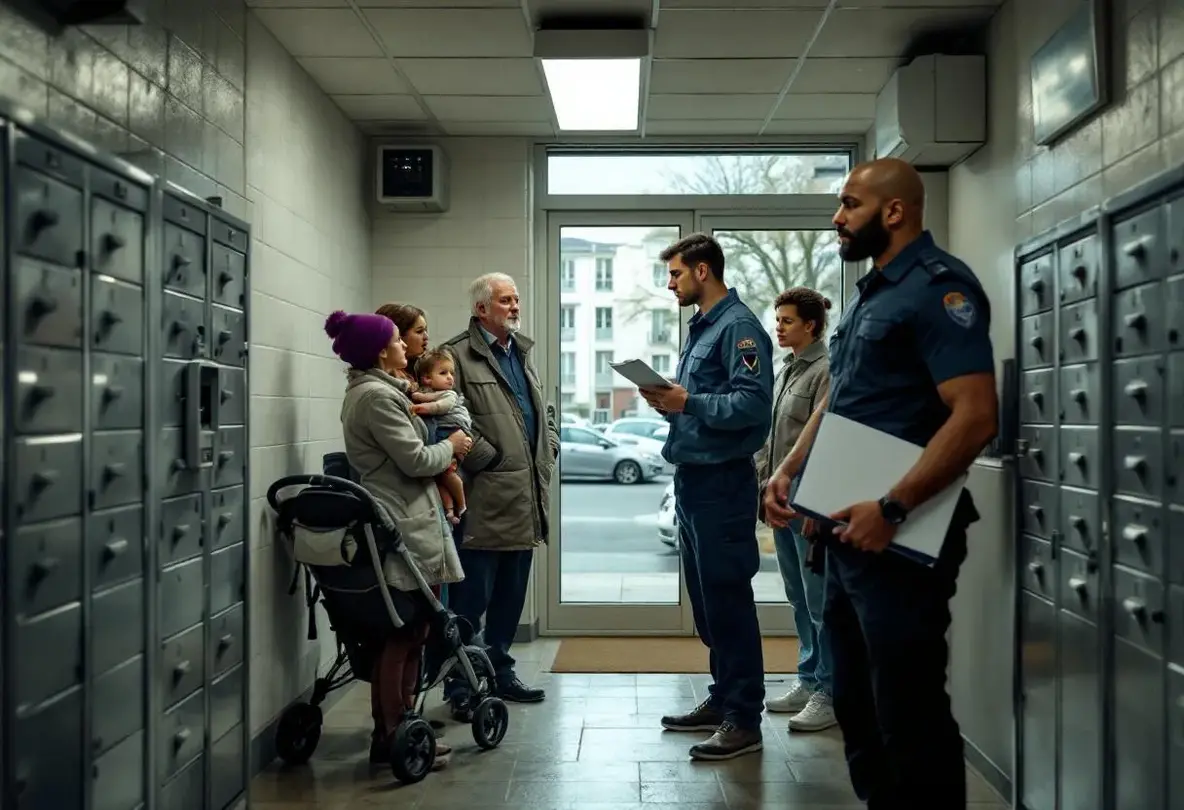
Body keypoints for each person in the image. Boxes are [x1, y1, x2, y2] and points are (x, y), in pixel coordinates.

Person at [763, 158, 998, 808]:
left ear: (893, 212)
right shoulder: (873, 292)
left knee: (909, 714)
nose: (837, 217)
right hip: (844, 532)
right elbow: (841, 396)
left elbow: (976, 415)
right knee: (857, 708)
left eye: (849, 204)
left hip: (901, 535)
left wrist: (893, 505)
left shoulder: (938, 288)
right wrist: (792, 471)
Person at [640, 233, 773, 761]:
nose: (670, 283)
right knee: (709, 606)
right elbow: (702, 403)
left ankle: (745, 718)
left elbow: (752, 406)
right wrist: (675, 404)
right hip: (694, 480)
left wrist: (687, 400)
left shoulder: (738, 328)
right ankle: (723, 701)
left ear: (701, 271)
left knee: (729, 603)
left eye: (674, 274)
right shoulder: (704, 329)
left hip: (723, 484)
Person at [325, 309, 473, 769]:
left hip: (410, 514)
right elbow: (414, 460)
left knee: (415, 630)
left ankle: (399, 727)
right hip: (402, 518)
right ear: (379, 350)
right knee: (404, 632)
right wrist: (454, 447)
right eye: (395, 338)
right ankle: (394, 734)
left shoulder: (386, 390)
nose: (404, 345)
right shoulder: (376, 398)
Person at [440, 272, 558, 715]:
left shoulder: (520, 353)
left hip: (525, 498)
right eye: (505, 300)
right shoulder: (457, 355)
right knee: (471, 601)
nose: (515, 306)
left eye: (516, 299)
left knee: (511, 597)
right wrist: (488, 458)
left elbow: (539, 412)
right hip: (485, 500)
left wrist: (551, 443)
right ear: (481, 309)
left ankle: (501, 672)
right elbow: (451, 420)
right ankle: (462, 687)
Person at [753, 287, 835, 732]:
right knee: (798, 596)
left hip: (809, 500)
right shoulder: (788, 370)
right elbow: (774, 438)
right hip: (780, 497)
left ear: (812, 325)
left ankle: (829, 690)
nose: (778, 328)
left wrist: (818, 505)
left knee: (821, 599)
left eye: (786, 321)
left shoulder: (827, 370)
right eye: (778, 319)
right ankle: (808, 676)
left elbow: (827, 442)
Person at [410, 347, 471, 524]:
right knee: (439, 480)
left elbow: (440, 407)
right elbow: (424, 396)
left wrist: (420, 407)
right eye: (443, 373)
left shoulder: (449, 394)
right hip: (441, 437)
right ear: (427, 378)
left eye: (451, 373)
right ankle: (449, 510)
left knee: (448, 474)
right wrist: (418, 396)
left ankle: (461, 504)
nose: (450, 377)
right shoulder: (426, 391)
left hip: (451, 431)